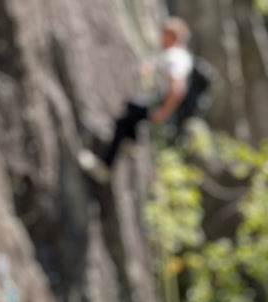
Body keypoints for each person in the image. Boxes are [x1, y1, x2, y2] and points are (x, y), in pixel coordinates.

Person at [79, 15, 196, 183]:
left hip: (162, 104)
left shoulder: (174, 55)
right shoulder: (181, 55)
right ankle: (130, 141)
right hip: (162, 102)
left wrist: (163, 112)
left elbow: (177, 89)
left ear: (171, 36)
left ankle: (106, 166)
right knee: (132, 105)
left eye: (163, 33)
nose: (160, 37)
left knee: (122, 121)